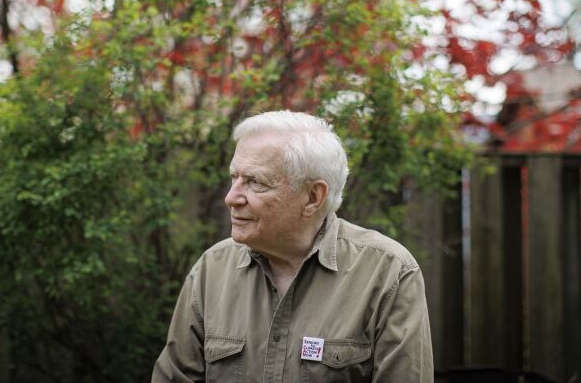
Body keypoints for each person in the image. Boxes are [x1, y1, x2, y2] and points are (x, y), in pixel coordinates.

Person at [152, 111, 433, 382]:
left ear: (313, 197)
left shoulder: (387, 273)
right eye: (234, 178)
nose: (231, 197)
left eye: (255, 182)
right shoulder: (212, 270)